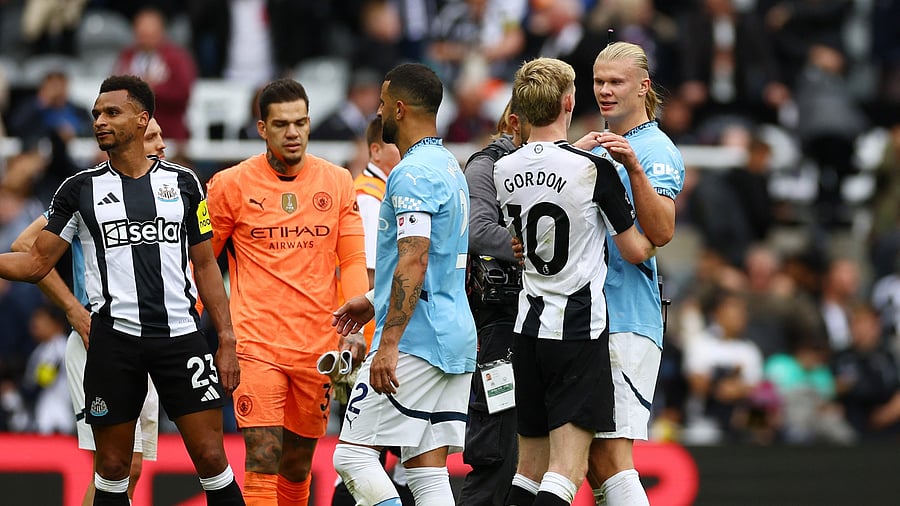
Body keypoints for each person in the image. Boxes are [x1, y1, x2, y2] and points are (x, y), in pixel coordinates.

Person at [0, 75, 243, 505]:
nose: (99, 121)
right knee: (113, 469)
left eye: (111, 112)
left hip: (180, 339)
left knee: (211, 458)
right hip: (114, 343)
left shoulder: (185, 184)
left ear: (142, 118)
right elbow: (36, 260)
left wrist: (225, 336)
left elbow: (206, 265)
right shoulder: (79, 190)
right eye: (96, 114)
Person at [494, 57, 656, 506]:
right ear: (569, 101)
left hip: (527, 330)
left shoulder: (503, 169)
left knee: (528, 471)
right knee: (566, 471)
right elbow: (637, 250)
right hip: (578, 332)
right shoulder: (594, 170)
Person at [205, 77, 368, 505]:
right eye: (281, 124)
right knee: (263, 456)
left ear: (310, 123)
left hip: (317, 345)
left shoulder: (337, 182)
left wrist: (356, 329)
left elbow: (351, 260)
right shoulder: (229, 185)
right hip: (256, 343)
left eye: (300, 122)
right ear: (262, 129)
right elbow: (203, 262)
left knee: (296, 466)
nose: (292, 133)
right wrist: (188, 323)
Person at [330, 62, 477, 506]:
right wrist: (374, 300)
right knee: (426, 474)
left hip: (417, 340)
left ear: (398, 108)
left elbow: (414, 257)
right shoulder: (450, 165)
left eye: (380, 103)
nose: (377, 111)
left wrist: (388, 342)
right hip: (455, 335)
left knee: (352, 457)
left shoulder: (409, 174)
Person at [9, 117, 168, 505]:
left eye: (161, 135)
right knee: (114, 466)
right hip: (99, 340)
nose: (162, 144)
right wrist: (72, 309)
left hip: (150, 343)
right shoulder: (90, 191)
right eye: (151, 137)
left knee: (131, 470)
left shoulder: (169, 190)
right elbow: (23, 246)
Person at [571, 41, 685, 505]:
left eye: (615, 82)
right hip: (590, 313)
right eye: (598, 81)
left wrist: (633, 169)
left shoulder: (655, 150)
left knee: (613, 455)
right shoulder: (596, 143)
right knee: (596, 460)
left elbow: (659, 233)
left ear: (644, 87)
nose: (604, 90)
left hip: (627, 316)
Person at [459, 97, 530, 506]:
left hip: (537, 319)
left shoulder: (552, 164)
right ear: (513, 121)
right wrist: (536, 245)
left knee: (531, 453)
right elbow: (477, 230)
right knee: (496, 450)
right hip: (497, 324)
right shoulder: (486, 165)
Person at [113, 6, 196, 141]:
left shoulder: (176, 59)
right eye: (142, 32)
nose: (145, 36)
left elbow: (183, 92)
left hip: (167, 131)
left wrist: (150, 89)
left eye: (150, 32)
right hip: (131, 135)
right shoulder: (127, 57)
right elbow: (114, 91)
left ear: (161, 32)